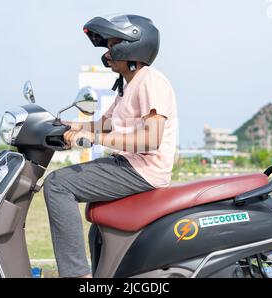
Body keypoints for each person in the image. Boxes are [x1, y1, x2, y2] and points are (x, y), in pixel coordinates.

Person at [43, 14, 178, 278]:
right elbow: (103, 125)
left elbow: (151, 139)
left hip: (143, 169)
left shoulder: (151, 80)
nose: (107, 52)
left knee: (58, 185)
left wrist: (94, 138)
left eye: (113, 44)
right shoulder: (127, 86)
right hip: (127, 165)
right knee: (99, 223)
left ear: (134, 45)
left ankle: (77, 277)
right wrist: (66, 125)